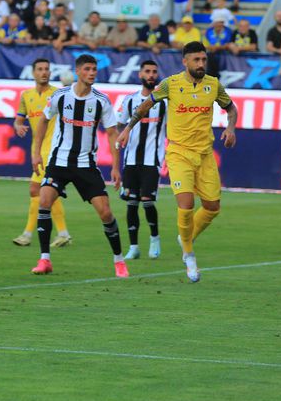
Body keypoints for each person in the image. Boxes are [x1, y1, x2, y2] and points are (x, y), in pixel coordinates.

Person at [121, 42, 239, 283]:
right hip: (179, 153)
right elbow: (146, 105)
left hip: (205, 154)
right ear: (185, 62)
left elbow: (231, 108)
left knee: (212, 207)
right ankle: (189, 254)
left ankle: (186, 237)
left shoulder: (213, 85)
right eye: (196, 60)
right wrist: (128, 128)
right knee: (186, 205)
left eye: (203, 60)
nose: (201, 64)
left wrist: (230, 128)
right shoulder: (170, 84)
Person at [30, 54, 125, 277]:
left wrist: (115, 166)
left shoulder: (101, 101)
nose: (92, 73)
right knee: (44, 201)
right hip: (59, 162)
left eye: (94, 69)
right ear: (78, 71)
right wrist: (36, 154)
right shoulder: (60, 96)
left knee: (105, 212)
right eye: (88, 69)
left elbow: (112, 133)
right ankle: (44, 260)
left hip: (86, 164)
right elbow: (44, 120)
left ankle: (119, 261)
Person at [12, 57, 70, 249]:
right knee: (46, 191)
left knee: (36, 189)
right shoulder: (26, 95)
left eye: (47, 69)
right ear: (33, 72)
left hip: (53, 149)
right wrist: (18, 126)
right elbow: (19, 119)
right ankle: (63, 233)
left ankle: (28, 234)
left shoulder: (57, 94)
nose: (44, 72)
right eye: (40, 69)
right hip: (37, 148)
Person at [117, 60, 168, 261]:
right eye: (147, 71)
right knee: (131, 203)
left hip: (152, 160)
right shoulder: (129, 100)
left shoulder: (165, 103)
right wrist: (121, 136)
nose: (151, 75)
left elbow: (172, 129)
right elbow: (119, 125)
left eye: (154, 71)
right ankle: (134, 247)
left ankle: (154, 239)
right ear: (140, 75)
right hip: (131, 160)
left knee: (147, 201)